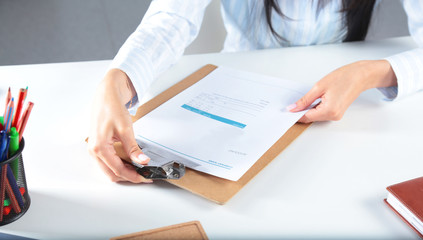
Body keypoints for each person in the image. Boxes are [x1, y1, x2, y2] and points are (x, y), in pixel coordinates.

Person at [88, 0, 423, 183]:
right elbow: (172, 18)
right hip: (243, 85)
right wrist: (120, 77)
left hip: (351, 109)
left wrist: (371, 73)